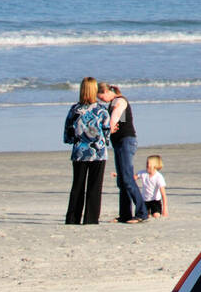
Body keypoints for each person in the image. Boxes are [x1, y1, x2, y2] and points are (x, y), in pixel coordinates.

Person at [63, 77, 112, 224]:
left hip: (79, 152)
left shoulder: (74, 110)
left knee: (77, 185)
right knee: (94, 186)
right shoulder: (101, 110)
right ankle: (90, 218)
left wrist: (76, 141)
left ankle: (73, 218)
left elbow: (68, 134)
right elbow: (107, 132)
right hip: (98, 152)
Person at [99, 83, 147, 223]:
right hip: (119, 142)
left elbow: (114, 120)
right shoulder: (112, 103)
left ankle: (142, 213)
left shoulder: (119, 101)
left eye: (100, 96)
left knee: (127, 178)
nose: (100, 100)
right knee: (121, 180)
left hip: (127, 141)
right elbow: (120, 121)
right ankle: (125, 214)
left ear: (106, 91)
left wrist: (108, 128)